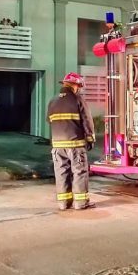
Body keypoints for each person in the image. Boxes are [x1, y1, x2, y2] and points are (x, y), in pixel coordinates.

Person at [47, 72, 95, 210]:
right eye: (79, 86)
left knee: (61, 173)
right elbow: (87, 121)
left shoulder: (53, 101)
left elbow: (49, 120)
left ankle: (63, 203)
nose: (79, 89)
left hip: (57, 146)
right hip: (75, 145)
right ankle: (80, 203)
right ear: (75, 85)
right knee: (79, 172)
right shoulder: (78, 99)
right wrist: (90, 138)